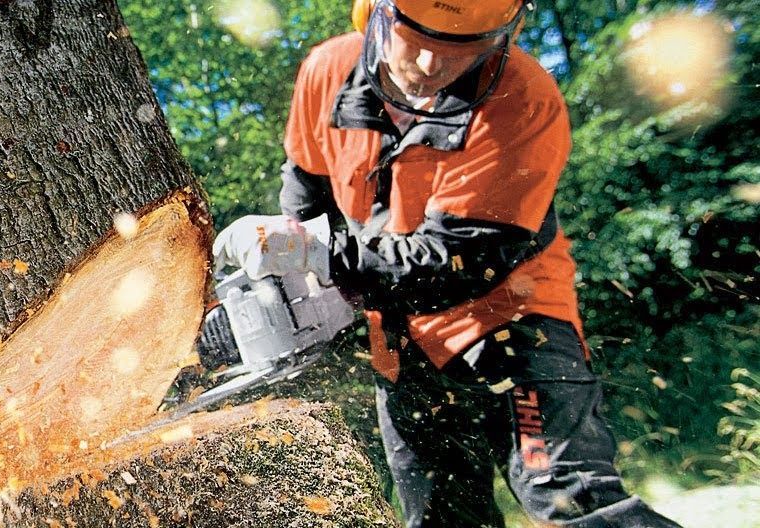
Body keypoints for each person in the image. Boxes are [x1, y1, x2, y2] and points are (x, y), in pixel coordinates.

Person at [211, 1, 684, 526]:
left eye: (459, 49)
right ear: (375, 15)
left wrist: (320, 253)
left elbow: (458, 263)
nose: (432, 65)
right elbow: (308, 197)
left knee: (569, 498)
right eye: (417, 41)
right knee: (442, 519)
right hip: (398, 338)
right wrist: (296, 269)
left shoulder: (522, 98)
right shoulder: (327, 73)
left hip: (515, 322)